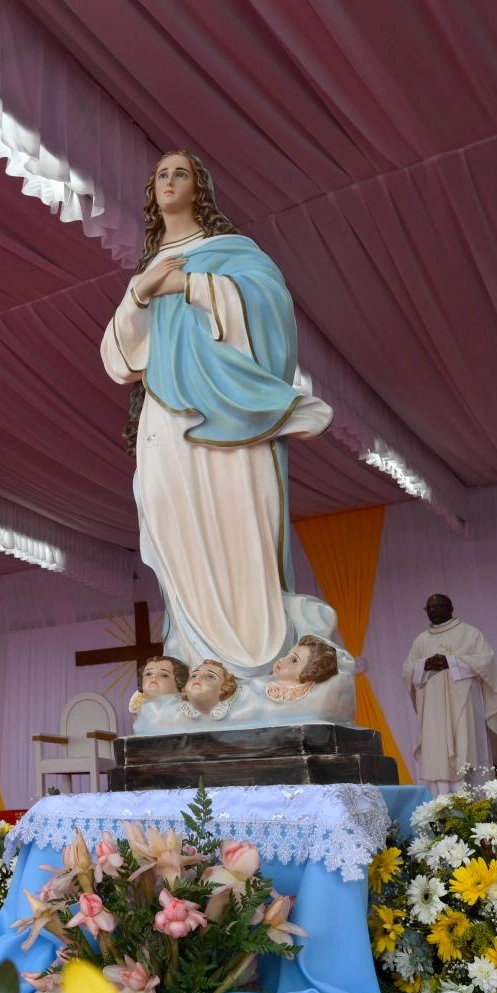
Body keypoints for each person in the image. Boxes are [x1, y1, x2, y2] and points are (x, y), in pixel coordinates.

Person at [101, 150, 335, 679]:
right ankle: (197, 651)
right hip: (164, 416)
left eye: (180, 173)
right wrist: (142, 289)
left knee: (239, 514)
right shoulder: (147, 270)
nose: (168, 181)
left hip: (227, 410)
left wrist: (193, 284)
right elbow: (118, 359)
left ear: (199, 187)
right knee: (168, 519)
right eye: (161, 174)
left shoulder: (231, 251)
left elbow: (270, 307)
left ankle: (255, 654)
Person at [404, 594, 497, 794]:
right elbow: (407, 670)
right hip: (434, 711)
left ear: (451, 608)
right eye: (429, 608)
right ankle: (441, 806)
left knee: (467, 750)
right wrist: (424, 665)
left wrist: (450, 662)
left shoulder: (470, 634)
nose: (433, 611)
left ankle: (475, 807)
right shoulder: (421, 640)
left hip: (464, 705)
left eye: (437, 606)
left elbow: (485, 662)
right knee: (438, 757)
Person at [265, 634, 338, 703]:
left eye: (294, 661)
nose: (282, 659)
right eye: (288, 653)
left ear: (307, 675)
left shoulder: (288, 696)